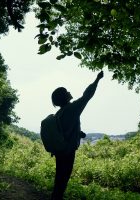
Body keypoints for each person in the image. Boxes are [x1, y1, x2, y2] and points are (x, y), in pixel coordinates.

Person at [50, 71, 104, 200]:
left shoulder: (59, 113)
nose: (69, 92)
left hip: (60, 150)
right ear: (64, 97)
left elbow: (64, 130)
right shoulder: (72, 108)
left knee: (59, 177)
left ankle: (55, 197)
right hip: (68, 151)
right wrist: (97, 80)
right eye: (66, 91)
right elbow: (87, 95)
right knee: (63, 178)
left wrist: (78, 133)